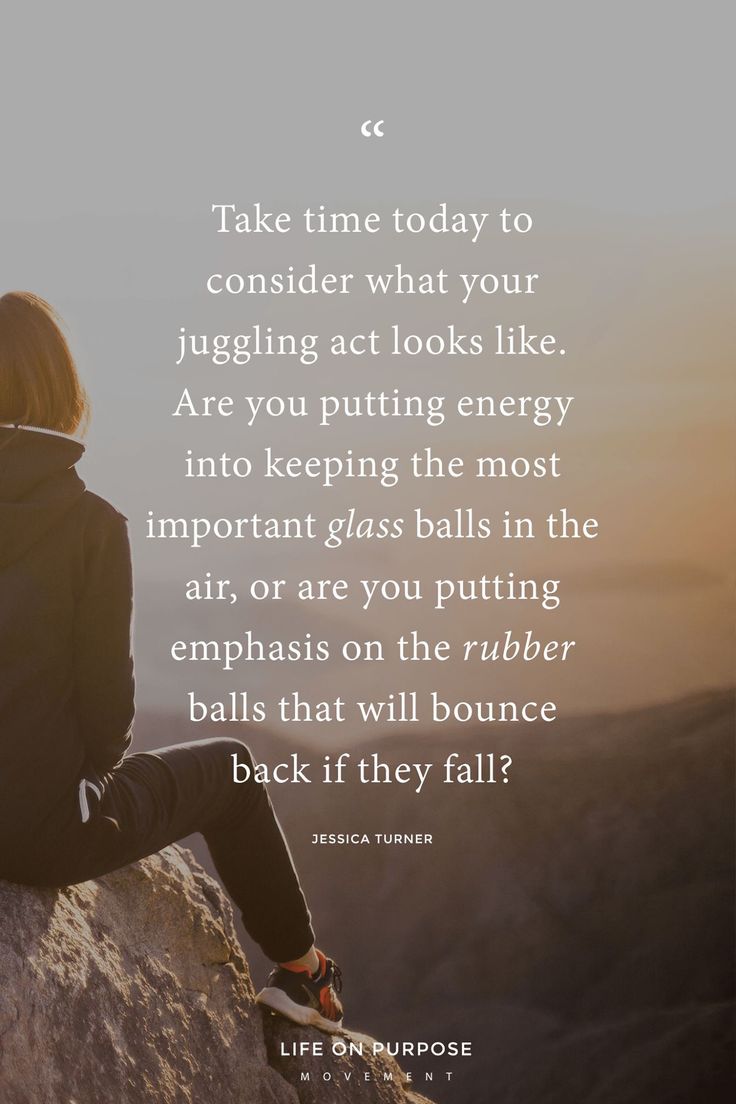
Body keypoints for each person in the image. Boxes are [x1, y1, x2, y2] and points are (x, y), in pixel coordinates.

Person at [0, 291, 343, 1033]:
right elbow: (108, 725)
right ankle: (302, 974)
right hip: (38, 833)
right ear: (65, 392)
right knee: (232, 771)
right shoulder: (91, 526)